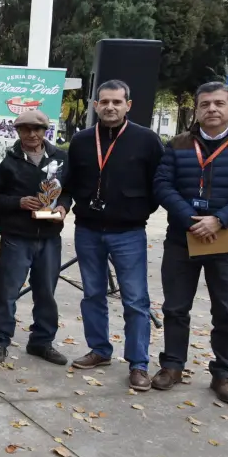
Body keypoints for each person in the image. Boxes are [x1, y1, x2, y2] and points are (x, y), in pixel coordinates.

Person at [152, 82, 228, 404]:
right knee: (175, 308)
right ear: (197, 110)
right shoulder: (178, 144)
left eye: (219, 103)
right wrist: (190, 219)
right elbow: (162, 185)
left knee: (227, 311)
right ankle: (172, 365)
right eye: (205, 104)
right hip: (182, 239)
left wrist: (220, 219)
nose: (212, 109)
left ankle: (224, 374)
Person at [64, 79, 164, 390]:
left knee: (135, 300)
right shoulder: (81, 140)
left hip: (128, 232)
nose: (110, 107)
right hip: (88, 230)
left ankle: (138, 364)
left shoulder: (147, 140)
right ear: (96, 106)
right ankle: (100, 350)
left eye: (117, 102)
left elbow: (159, 183)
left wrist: (138, 209)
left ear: (128, 105)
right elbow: (68, 182)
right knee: (92, 294)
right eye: (104, 102)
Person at [0, 109, 70, 365]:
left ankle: (42, 342)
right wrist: (18, 202)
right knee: (7, 293)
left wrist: (63, 207)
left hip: (50, 236)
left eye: (37, 129)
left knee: (46, 293)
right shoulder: (5, 158)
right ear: (17, 131)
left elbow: (68, 191)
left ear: (45, 131)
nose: (32, 134)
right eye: (26, 129)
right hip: (16, 236)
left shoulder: (60, 157)